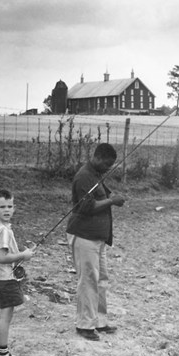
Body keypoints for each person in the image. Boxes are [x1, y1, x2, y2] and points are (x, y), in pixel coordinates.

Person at [66, 143, 125, 341]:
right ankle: (84, 325)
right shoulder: (84, 176)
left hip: (97, 238)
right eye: (107, 164)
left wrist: (111, 197)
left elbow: (102, 196)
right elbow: (86, 207)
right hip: (84, 236)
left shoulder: (96, 175)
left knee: (101, 280)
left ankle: (99, 321)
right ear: (98, 157)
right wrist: (112, 201)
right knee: (88, 281)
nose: (108, 168)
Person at [0, 189, 35, 356]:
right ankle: (3, 352)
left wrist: (22, 252)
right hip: (5, 278)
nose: (6, 210)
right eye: (2, 207)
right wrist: (23, 255)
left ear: (14, 208)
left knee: (0, 314)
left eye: (10, 206)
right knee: (5, 316)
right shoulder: (4, 231)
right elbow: (2, 258)